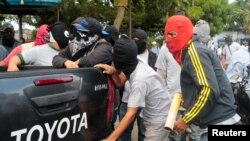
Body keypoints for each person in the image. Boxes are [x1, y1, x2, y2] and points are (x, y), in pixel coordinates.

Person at [164, 15, 240, 141]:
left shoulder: (195, 52)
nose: (167, 40)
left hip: (219, 121)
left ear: (184, 33)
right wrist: (189, 99)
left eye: (172, 34)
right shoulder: (191, 51)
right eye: (166, 35)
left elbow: (208, 90)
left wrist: (186, 119)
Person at [96, 35, 171, 141]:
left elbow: (130, 114)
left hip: (159, 119)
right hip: (152, 113)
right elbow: (120, 83)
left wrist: (110, 139)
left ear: (120, 59)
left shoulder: (139, 79)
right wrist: (113, 72)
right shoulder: (133, 63)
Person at [118, 29, 157, 141]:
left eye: (136, 41)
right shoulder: (128, 55)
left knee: (143, 134)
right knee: (124, 132)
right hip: (127, 100)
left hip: (145, 103)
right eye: (132, 40)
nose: (134, 44)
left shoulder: (153, 57)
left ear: (144, 43)